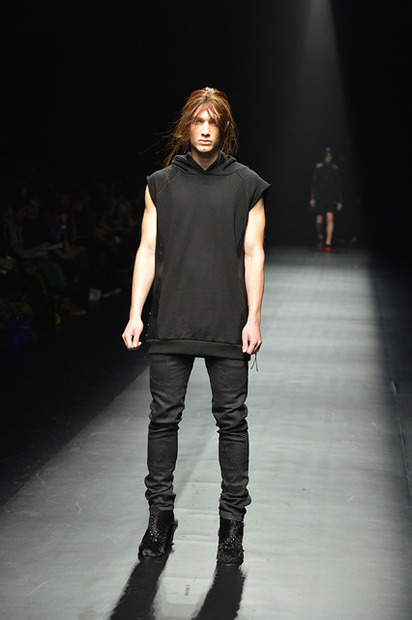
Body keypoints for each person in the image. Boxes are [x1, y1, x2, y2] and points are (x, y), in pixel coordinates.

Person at [122, 87, 269, 566]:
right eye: (198, 121)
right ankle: (159, 519)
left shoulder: (247, 184)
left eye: (214, 122)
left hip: (228, 320)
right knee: (163, 420)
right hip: (171, 318)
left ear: (224, 129)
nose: (205, 130)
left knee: (232, 422)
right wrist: (135, 313)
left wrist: (254, 317)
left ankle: (232, 526)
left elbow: (254, 253)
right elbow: (147, 249)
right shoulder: (161, 183)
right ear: (186, 126)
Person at [310, 147, 343, 251]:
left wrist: (339, 201)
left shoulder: (335, 169)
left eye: (330, 156)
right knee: (319, 220)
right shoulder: (318, 167)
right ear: (324, 157)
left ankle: (328, 242)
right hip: (320, 197)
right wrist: (313, 198)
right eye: (327, 156)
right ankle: (320, 236)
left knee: (330, 218)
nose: (329, 158)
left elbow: (338, 186)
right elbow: (314, 184)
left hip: (331, 197)